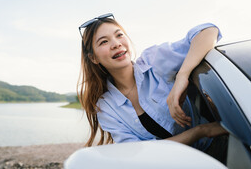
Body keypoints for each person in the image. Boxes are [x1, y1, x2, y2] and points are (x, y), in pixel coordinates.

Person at [77, 13, 228, 156]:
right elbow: (139, 153)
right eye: (104, 41)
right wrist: (199, 131)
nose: (116, 44)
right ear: (93, 58)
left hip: (214, 148)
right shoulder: (106, 108)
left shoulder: (153, 62)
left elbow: (208, 31)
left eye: (119, 35)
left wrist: (182, 76)